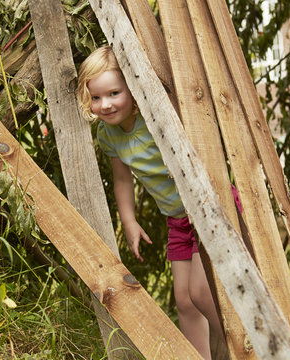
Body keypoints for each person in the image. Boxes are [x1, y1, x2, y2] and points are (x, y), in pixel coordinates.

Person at [76, 46, 227, 359]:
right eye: (96, 97)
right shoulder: (109, 135)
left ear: (131, 88)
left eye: (114, 93)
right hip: (178, 220)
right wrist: (129, 221)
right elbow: (122, 179)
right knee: (185, 301)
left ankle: (241, 343)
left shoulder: (154, 116)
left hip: (208, 209)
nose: (105, 105)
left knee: (201, 291)